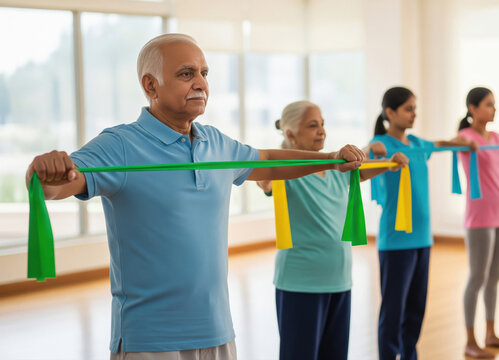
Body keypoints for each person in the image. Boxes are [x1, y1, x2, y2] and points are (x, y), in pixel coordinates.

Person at [25, 33, 365, 360]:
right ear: (150, 85)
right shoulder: (120, 144)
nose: (201, 83)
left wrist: (331, 160)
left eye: (204, 73)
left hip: (218, 334)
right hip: (150, 340)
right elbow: (62, 183)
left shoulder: (217, 143)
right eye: (186, 74)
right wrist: (42, 175)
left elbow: (268, 162)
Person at [256, 100, 408, 360]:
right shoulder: (286, 172)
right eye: (312, 125)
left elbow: (361, 171)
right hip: (300, 284)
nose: (321, 131)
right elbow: (263, 176)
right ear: (290, 134)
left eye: (323, 124)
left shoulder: (336, 168)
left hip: (339, 280)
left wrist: (391, 162)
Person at [371, 86, 472, 360]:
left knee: (416, 309)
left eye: (415, 108)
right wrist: (375, 150)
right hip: (396, 241)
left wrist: (462, 142)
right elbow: (366, 154)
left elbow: (437, 144)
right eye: (408, 108)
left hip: (423, 240)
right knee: (393, 310)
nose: (414, 113)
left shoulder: (416, 144)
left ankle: (409, 355)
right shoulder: (382, 144)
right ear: (390, 113)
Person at [453, 87, 499, 358]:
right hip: (478, 218)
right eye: (489, 104)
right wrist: (463, 145)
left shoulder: (495, 137)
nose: (494, 109)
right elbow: (449, 143)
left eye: (494, 104)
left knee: (494, 278)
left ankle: (491, 334)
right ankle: (470, 341)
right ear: (473, 108)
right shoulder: (465, 136)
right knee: (477, 278)